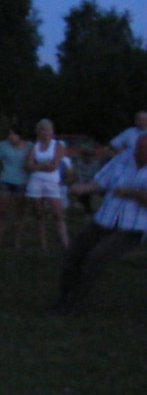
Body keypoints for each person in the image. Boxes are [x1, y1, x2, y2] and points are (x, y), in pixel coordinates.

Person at [53, 133, 147, 313]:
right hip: (105, 218)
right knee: (73, 254)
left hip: (133, 228)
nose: (138, 154)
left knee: (95, 258)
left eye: (143, 151)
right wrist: (83, 188)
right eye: (138, 149)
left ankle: (74, 304)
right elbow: (103, 180)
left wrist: (132, 193)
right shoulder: (125, 157)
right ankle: (63, 299)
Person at [26, 119, 70, 250]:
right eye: (43, 129)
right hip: (35, 181)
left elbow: (54, 165)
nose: (46, 132)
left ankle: (66, 243)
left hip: (51, 181)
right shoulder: (35, 146)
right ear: (39, 132)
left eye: (48, 129)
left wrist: (37, 166)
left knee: (58, 213)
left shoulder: (57, 145)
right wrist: (44, 165)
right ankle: (42, 244)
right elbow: (28, 165)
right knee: (39, 214)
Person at [0, 126, 32, 248]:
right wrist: (0, 162)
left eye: (13, 134)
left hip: (22, 181)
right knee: (2, 211)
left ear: (20, 136)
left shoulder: (29, 147)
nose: (10, 137)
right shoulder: (3, 145)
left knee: (20, 212)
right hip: (6, 180)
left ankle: (17, 241)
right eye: (9, 134)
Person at [72, 148, 102, 215]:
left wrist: (89, 186)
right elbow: (78, 177)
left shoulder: (96, 165)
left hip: (92, 185)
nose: (89, 158)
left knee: (90, 189)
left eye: (90, 156)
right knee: (80, 189)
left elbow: (97, 178)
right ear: (83, 156)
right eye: (87, 156)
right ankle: (83, 207)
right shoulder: (78, 164)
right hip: (81, 185)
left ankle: (85, 207)